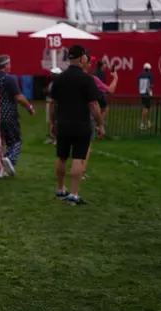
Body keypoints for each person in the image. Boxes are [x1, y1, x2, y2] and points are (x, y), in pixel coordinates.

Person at [49, 45, 104, 206]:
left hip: (63, 123)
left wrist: (53, 122)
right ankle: (74, 193)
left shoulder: (60, 78)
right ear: (82, 58)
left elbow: (52, 103)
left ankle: (60, 189)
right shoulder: (87, 79)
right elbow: (94, 104)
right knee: (78, 158)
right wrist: (100, 124)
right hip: (81, 124)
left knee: (62, 156)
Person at [0, 55, 35, 178]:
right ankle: (9, 159)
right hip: (8, 115)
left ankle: (0, 170)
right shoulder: (9, 79)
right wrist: (29, 107)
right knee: (16, 141)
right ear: (6, 65)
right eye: (9, 64)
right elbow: (18, 97)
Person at [83, 53, 118, 179]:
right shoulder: (92, 79)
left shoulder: (70, 77)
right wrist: (115, 78)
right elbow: (110, 90)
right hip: (87, 116)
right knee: (86, 146)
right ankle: (81, 172)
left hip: (71, 115)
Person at [44, 67, 62, 145]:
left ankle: (57, 138)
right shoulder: (52, 83)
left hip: (57, 105)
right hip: (50, 103)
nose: (51, 75)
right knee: (50, 121)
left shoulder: (60, 83)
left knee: (56, 121)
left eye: (53, 74)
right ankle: (52, 137)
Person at [138, 63, 155, 131]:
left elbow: (138, 85)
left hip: (142, 93)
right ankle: (142, 124)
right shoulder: (150, 75)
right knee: (146, 109)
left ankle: (148, 122)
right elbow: (151, 85)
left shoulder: (140, 75)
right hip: (147, 94)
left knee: (147, 108)